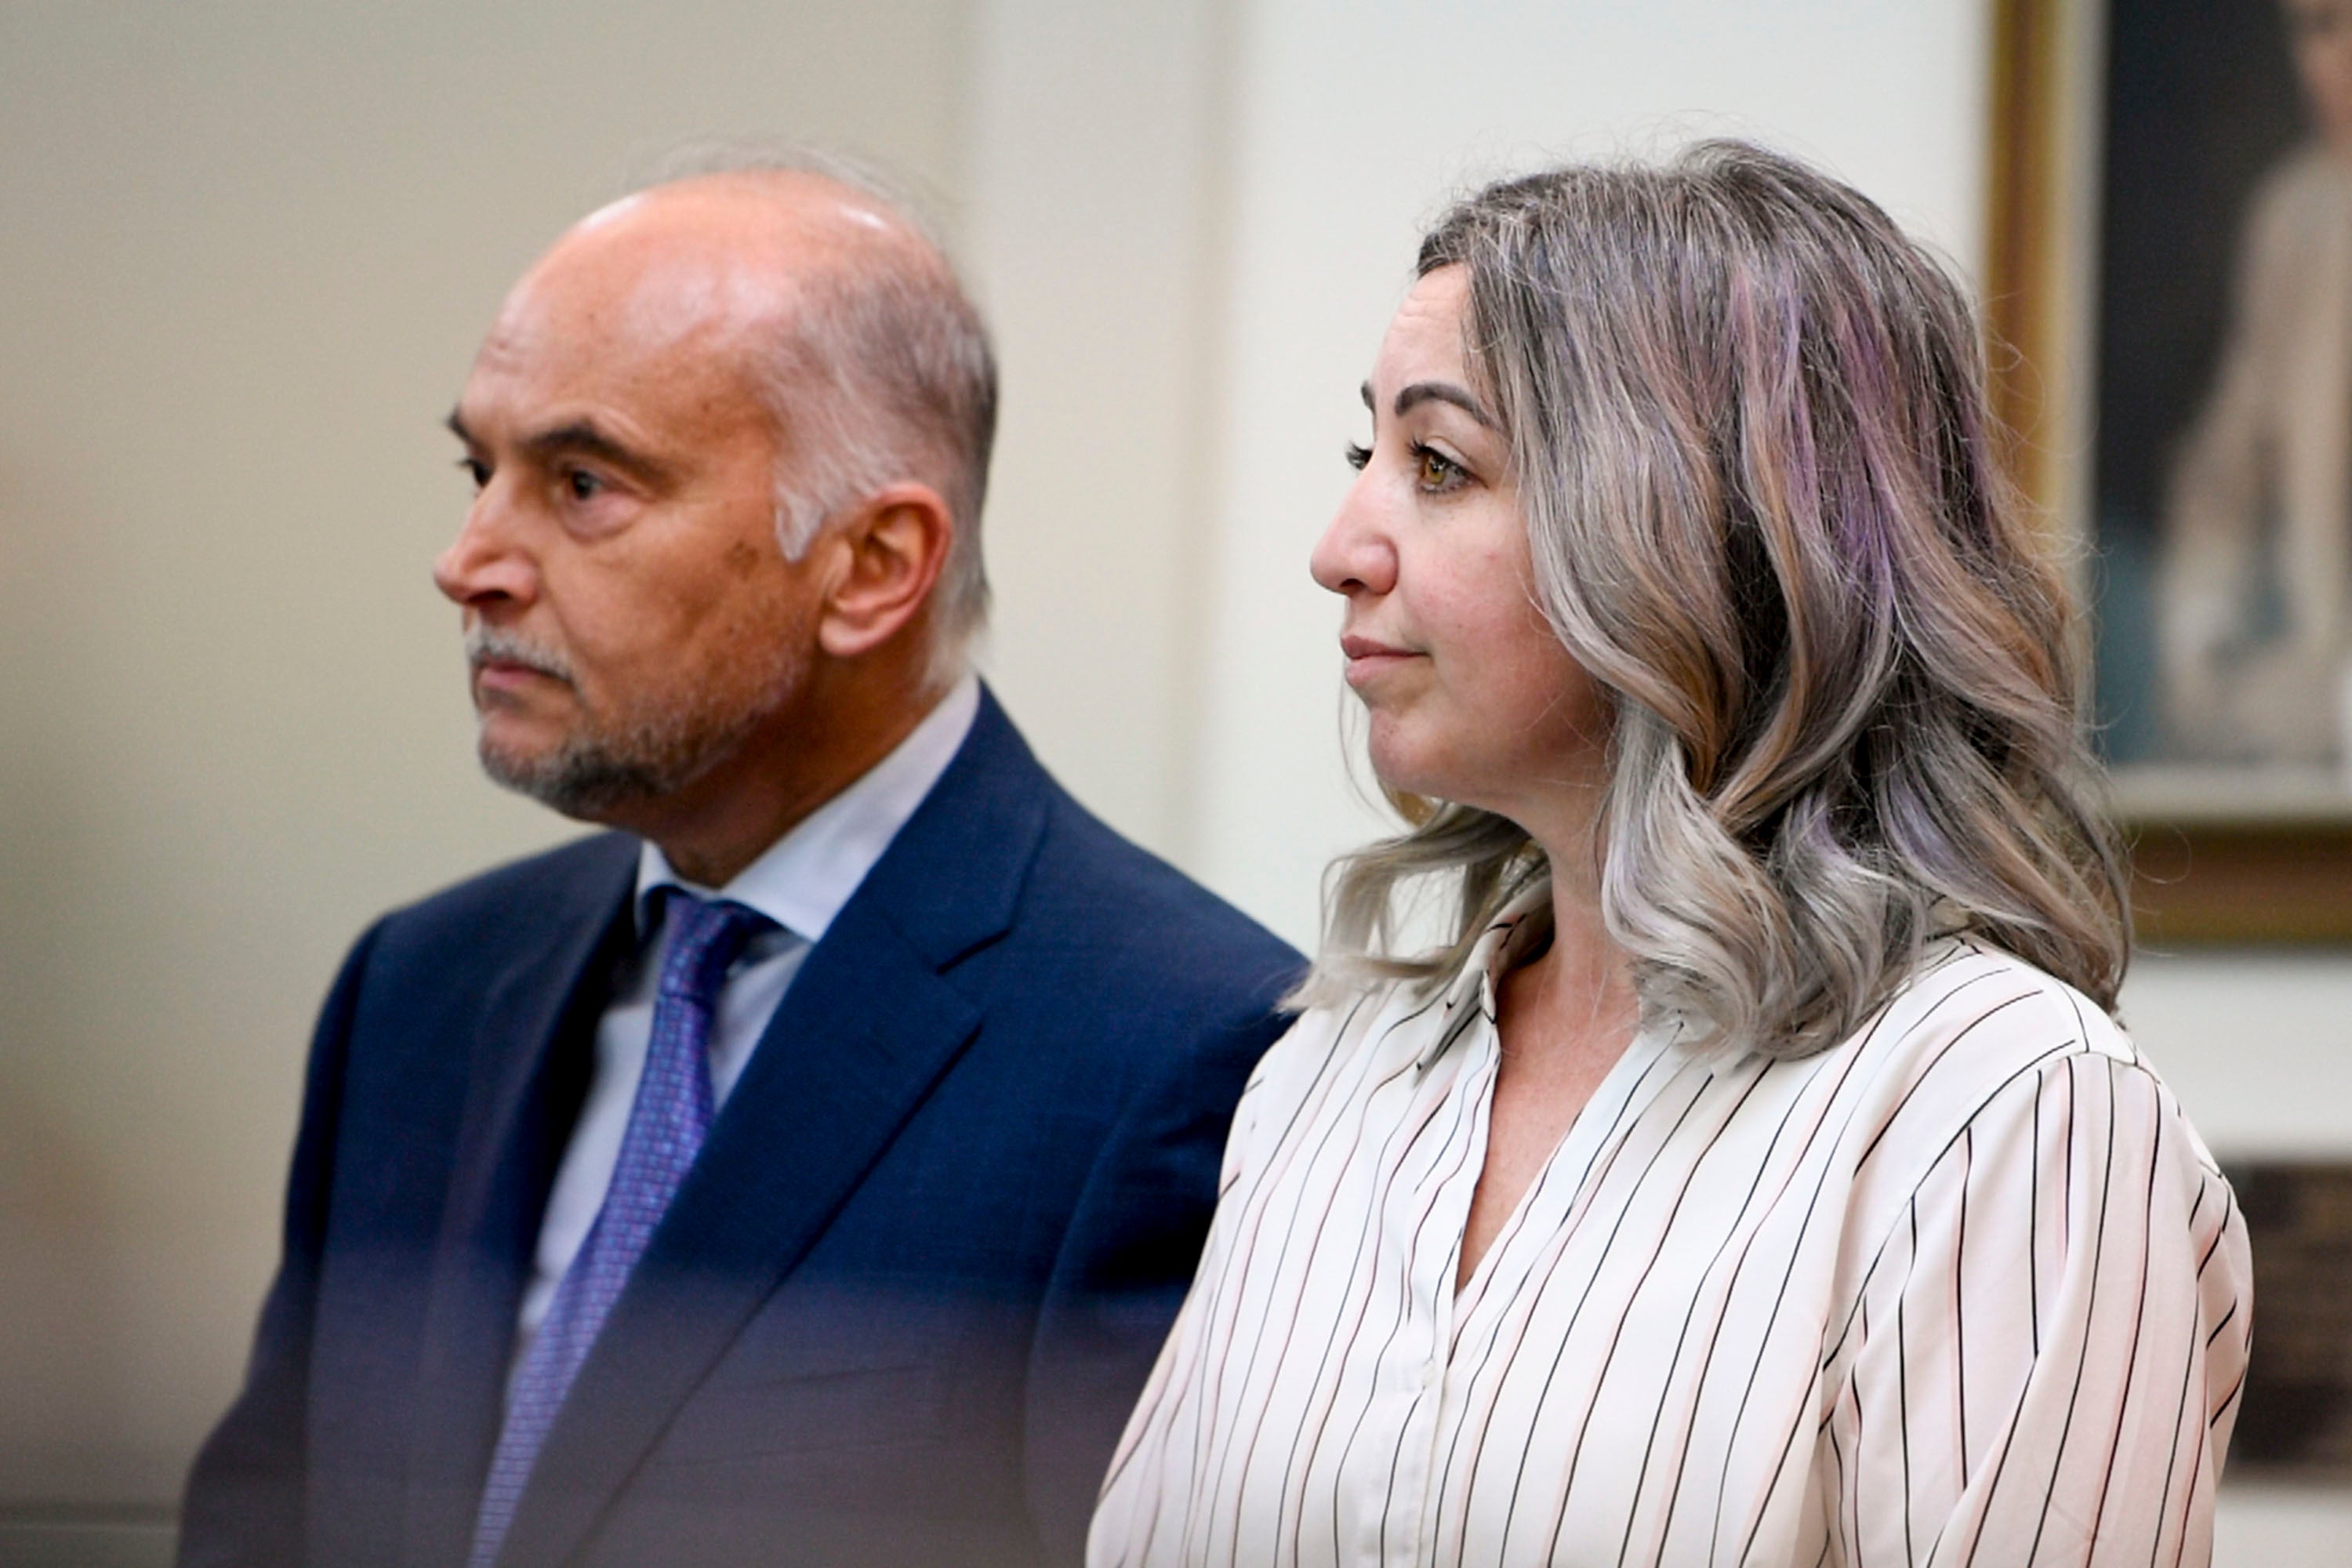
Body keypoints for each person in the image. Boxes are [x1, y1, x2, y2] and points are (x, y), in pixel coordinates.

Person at [1091, 143, 2252, 1567]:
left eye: (1441, 465)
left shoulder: (2005, 1111)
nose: (1342, 546)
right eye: (1367, 456)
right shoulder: (1331, 1079)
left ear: (1708, 535)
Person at [177, 153, 1300, 1568]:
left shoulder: (1186, 1053)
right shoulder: (418, 990)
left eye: (582, 483)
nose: (470, 561)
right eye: (481, 469)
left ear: (873, 564)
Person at [2159, 0, 2352, 764]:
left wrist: (2340, 704)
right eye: (2315, 27)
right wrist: (2204, 634)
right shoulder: (2297, 217)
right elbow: (2229, 460)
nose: (2330, 59)